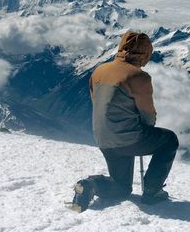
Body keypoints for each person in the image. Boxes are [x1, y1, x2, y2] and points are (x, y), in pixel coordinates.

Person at [71, 31, 179, 212]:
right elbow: (148, 117)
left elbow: (97, 102)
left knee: (121, 189)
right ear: (144, 54)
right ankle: (152, 191)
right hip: (129, 138)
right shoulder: (139, 77)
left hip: (103, 138)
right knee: (169, 140)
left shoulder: (99, 70)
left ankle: (90, 185)